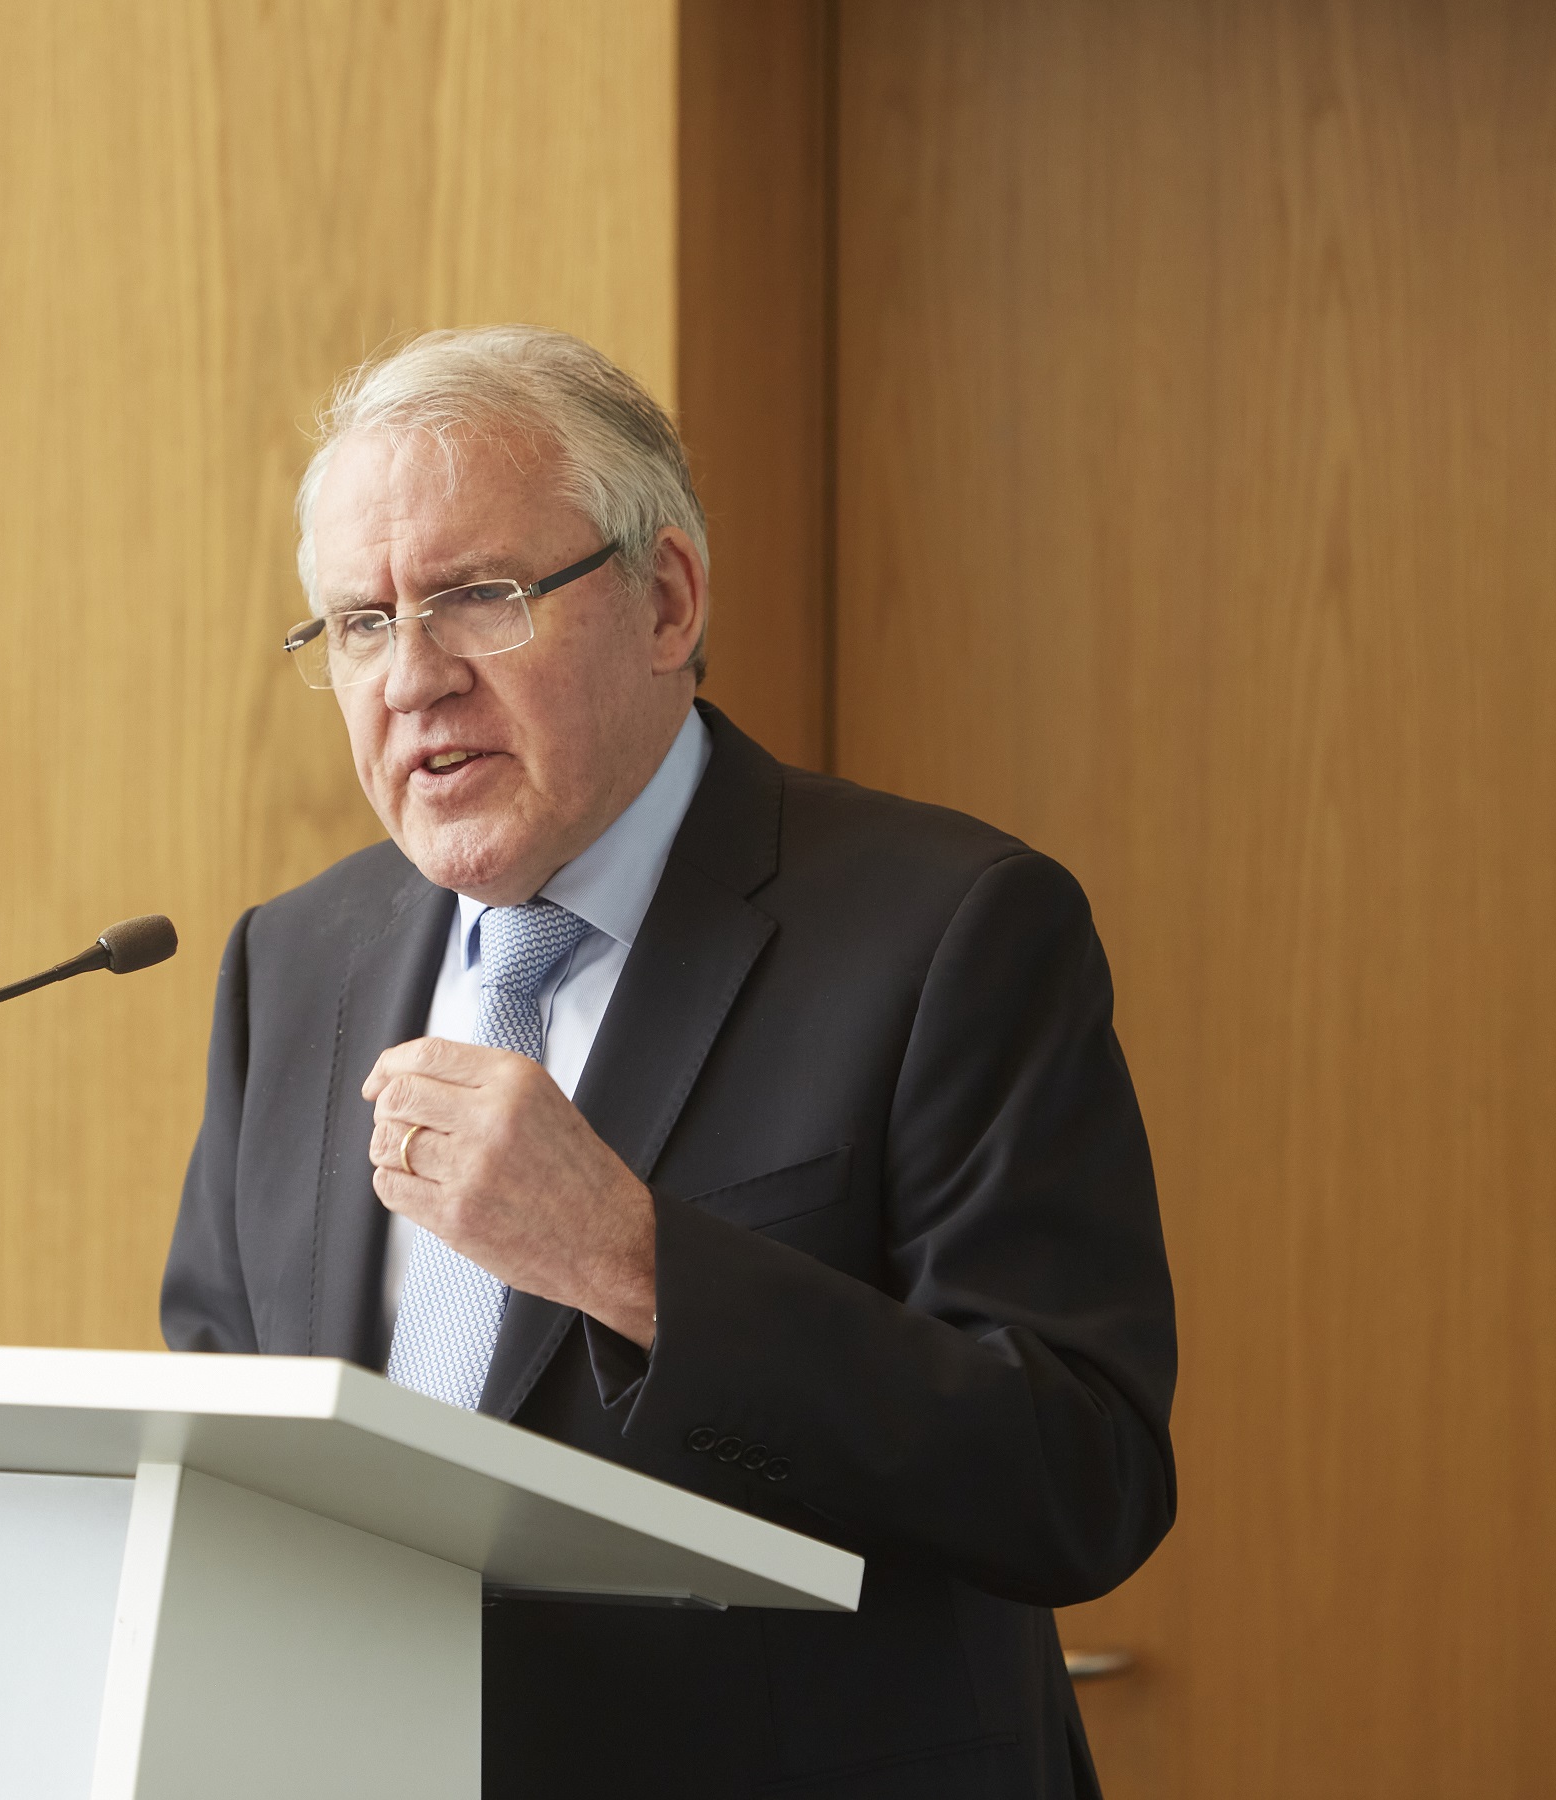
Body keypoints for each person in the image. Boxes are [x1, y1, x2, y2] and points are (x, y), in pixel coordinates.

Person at [162, 325, 1175, 1799]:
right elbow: (231, 1432)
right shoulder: (294, 962)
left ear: (665, 599)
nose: (414, 680)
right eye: (361, 625)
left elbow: (1078, 1479)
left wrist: (635, 1261)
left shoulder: (947, 928)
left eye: (474, 598)